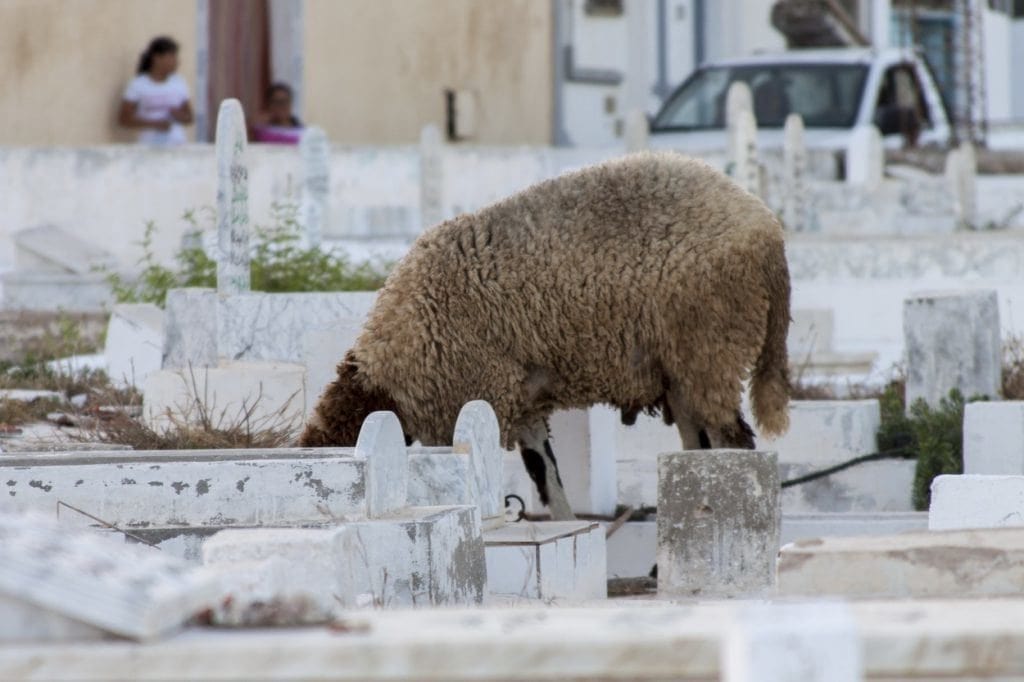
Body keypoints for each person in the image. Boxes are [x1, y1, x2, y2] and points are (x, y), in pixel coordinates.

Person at [118, 36, 193, 145]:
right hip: (148, 145)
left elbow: (189, 117)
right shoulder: (138, 84)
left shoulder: (179, 82)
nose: (176, 62)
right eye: (171, 56)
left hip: (176, 144)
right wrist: (155, 124)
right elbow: (124, 119)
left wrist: (178, 115)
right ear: (157, 58)